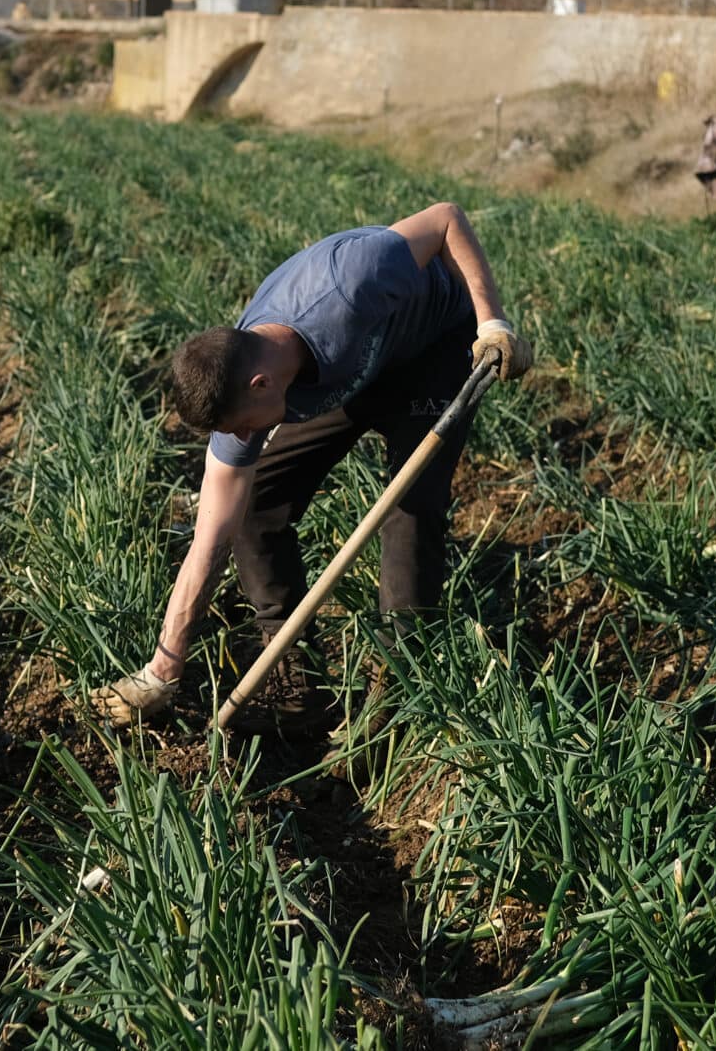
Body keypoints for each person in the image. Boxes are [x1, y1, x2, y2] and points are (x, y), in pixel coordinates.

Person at [92, 202, 533, 726]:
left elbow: (444, 220)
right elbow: (209, 539)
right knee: (255, 506)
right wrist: (161, 668)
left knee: (410, 512)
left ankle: (394, 702)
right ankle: (302, 686)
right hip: (353, 372)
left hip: (434, 350)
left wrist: (492, 322)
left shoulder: (350, 283)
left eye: (242, 427)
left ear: (261, 384)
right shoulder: (249, 389)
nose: (244, 439)